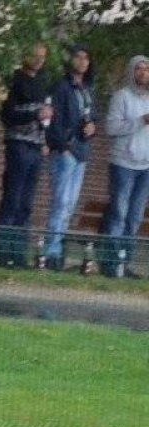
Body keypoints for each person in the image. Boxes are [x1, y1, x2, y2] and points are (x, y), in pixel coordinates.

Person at [0, 42, 53, 268]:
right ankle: (1, 252)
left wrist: (45, 137)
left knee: (26, 202)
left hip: (36, 146)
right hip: (18, 144)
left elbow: (45, 116)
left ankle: (18, 253)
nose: (38, 60)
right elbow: (8, 114)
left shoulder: (42, 83)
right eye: (34, 54)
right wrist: (35, 113)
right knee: (12, 199)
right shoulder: (14, 80)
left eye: (42, 56)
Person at [42, 43, 98, 271]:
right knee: (60, 201)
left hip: (82, 151)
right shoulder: (61, 86)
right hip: (65, 149)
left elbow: (92, 115)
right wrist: (62, 146)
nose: (82, 61)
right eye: (79, 57)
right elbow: (53, 119)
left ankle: (59, 247)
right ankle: (51, 250)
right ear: (71, 60)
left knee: (70, 204)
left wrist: (93, 125)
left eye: (86, 58)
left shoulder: (87, 88)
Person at [97, 55, 149, 279]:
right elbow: (111, 128)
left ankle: (123, 262)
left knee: (135, 216)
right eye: (139, 68)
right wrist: (140, 121)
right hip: (123, 163)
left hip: (145, 165)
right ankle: (109, 263)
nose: (143, 73)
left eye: (147, 69)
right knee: (118, 213)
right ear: (132, 71)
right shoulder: (122, 96)